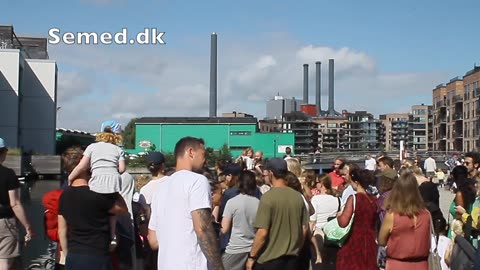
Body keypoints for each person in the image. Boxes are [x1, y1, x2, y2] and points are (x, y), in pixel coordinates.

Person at [147, 137, 224, 270]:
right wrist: (219, 267)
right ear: (191, 152)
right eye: (203, 154)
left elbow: (153, 241)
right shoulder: (197, 181)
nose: (205, 160)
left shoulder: (161, 187)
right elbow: (202, 229)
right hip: (192, 264)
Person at [58, 146, 128, 270]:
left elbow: (62, 231)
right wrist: (113, 189)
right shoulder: (96, 194)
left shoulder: (64, 196)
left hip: (73, 256)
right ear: (85, 166)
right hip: (97, 256)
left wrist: (67, 255)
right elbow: (123, 209)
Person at [67, 121, 126, 250]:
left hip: (97, 182)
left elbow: (82, 166)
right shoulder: (118, 149)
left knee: (95, 205)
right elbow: (122, 169)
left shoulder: (92, 147)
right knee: (112, 211)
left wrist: (70, 177)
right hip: (113, 182)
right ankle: (113, 235)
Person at [246, 158, 308, 270]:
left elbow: (262, 233)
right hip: (292, 260)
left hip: (269, 260)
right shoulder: (297, 197)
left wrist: (252, 257)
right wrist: (297, 249)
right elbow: (304, 229)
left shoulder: (268, 198)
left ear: (271, 173)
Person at [378, 171, 431, 270]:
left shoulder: (392, 215)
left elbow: (381, 240)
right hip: (421, 264)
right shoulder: (426, 214)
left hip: (397, 264)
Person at [0, 138, 33, 270]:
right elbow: (15, 204)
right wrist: (28, 226)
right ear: (3, 152)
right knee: (4, 262)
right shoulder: (8, 174)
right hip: (4, 223)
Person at [336, 169, 378, 270]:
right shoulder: (373, 200)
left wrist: (339, 215)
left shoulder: (354, 198)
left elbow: (343, 222)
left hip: (355, 239)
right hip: (370, 239)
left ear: (357, 182)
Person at [220, 171, 260, 270]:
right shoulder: (259, 203)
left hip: (235, 248)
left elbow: (224, 229)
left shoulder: (232, 202)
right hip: (254, 248)